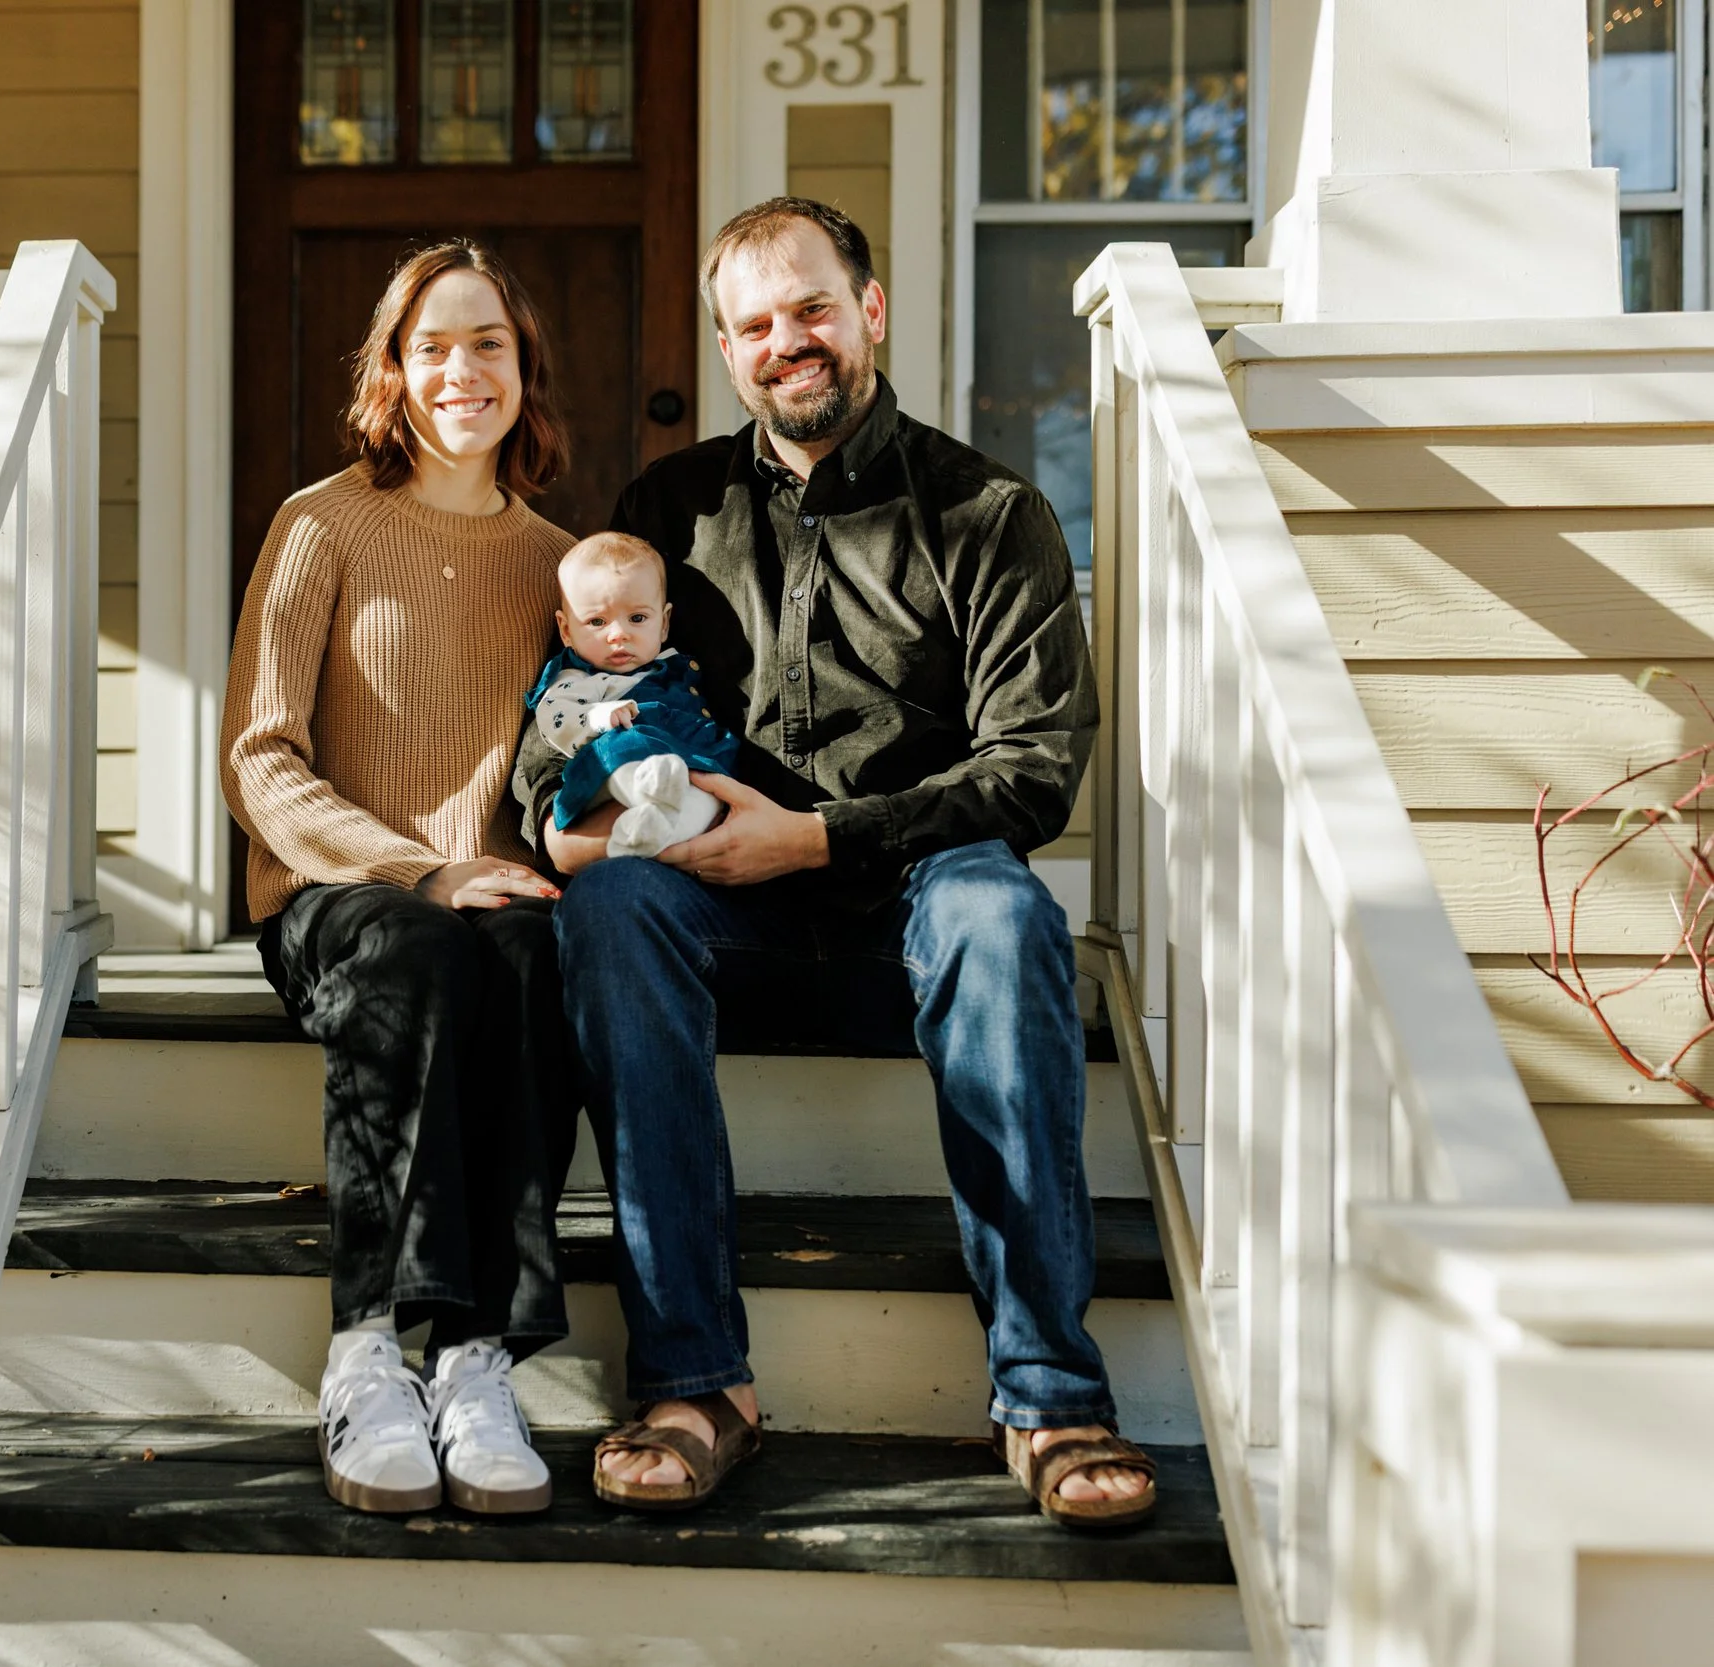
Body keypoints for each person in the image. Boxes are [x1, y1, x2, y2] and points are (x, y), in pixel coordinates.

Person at [517, 197, 1159, 1527]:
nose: (784, 341)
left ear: (869, 310)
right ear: (727, 350)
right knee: (615, 903)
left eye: (809, 307)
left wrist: (814, 834)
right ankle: (698, 1381)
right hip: (711, 915)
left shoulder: (987, 512)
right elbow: (577, 698)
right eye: (752, 325)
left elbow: (1033, 767)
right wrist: (553, 820)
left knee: (1005, 908)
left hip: (912, 907)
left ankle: (1047, 1389)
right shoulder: (669, 511)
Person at [222, 239, 582, 1518]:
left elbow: (575, 752)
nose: (459, 368)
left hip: (485, 900)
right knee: (425, 952)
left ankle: (477, 1355)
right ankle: (367, 1343)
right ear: (392, 367)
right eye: (431, 343)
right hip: (335, 897)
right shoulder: (320, 525)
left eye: (487, 341)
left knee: (540, 951)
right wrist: (417, 870)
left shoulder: (559, 565)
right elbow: (259, 757)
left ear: (523, 369)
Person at [526, 532, 738, 860]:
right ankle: (644, 790)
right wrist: (598, 716)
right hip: (611, 776)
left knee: (711, 796)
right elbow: (554, 714)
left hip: (686, 763)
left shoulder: (670, 669)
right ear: (566, 630)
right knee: (619, 747)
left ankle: (652, 832)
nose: (619, 633)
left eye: (637, 618)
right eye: (596, 621)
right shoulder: (580, 679)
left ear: (664, 623)